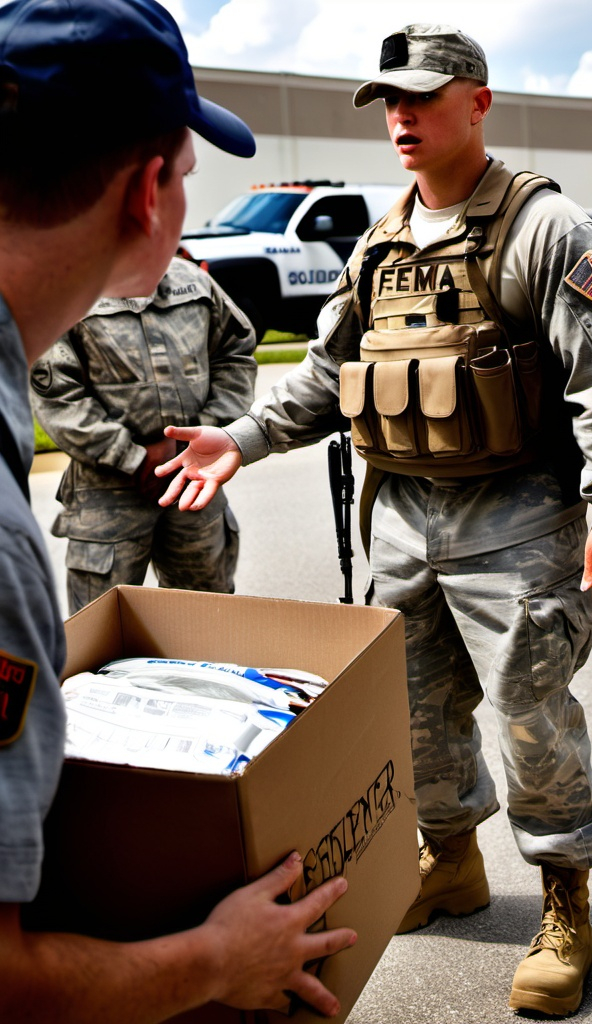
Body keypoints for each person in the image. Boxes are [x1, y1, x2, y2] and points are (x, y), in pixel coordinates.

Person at [155, 23, 592, 1019]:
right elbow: (326, 376)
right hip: (401, 524)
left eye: (422, 96)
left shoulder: (543, 229)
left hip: (515, 529)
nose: (400, 115)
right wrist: (241, 439)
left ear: (477, 102)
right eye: (388, 99)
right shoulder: (380, 243)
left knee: (531, 722)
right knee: (412, 718)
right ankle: (454, 862)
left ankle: (565, 904)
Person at [0, 0, 356, 1020]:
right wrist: (210, 964)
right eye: (191, 176)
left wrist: (216, 426)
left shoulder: (193, 292)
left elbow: (240, 350)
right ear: (151, 190)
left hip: (186, 492)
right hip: (116, 497)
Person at [30, 255, 257, 614]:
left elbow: (235, 352)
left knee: (208, 622)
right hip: (108, 494)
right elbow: (57, 395)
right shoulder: (63, 288)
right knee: (101, 632)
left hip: (192, 484)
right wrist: (132, 458)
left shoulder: (192, 281)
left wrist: (200, 436)